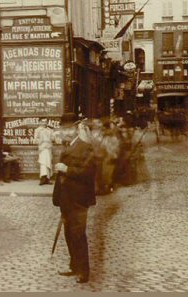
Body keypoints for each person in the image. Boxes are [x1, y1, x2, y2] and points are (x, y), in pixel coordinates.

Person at [52, 113, 97, 284]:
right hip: (66, 198)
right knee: (69, 234)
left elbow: (88, 173)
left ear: (74, 129)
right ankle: (74, 266)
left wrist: (66, 169)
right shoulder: (69, 145)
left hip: (79, 199)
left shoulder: (85, 147)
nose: (62, 132)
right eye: (61, 129)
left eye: (65, 129)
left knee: (78, 235)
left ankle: (83, 272)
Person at [100, 119, 120, 193]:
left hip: (110, 156)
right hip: (106, 156)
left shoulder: (111, 137)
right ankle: (107, 186)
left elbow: (114, 148)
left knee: (109, 172)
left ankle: (109, 186)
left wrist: (111, 154)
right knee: (106, 172)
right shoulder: (105, 137)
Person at [33, 119, 54, 185]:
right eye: (42, 122)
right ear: (39, 122)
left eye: (45, 122)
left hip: (49, 148)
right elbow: (35, 140)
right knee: (43, 163)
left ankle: (47, 179)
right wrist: (41, 140)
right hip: (42, 148)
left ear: (47, 122)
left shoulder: (50, 130)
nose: (44, 123)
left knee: (48, 163)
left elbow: (53, 139)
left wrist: (53, 136)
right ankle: (42, 178)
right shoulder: (37, 130)